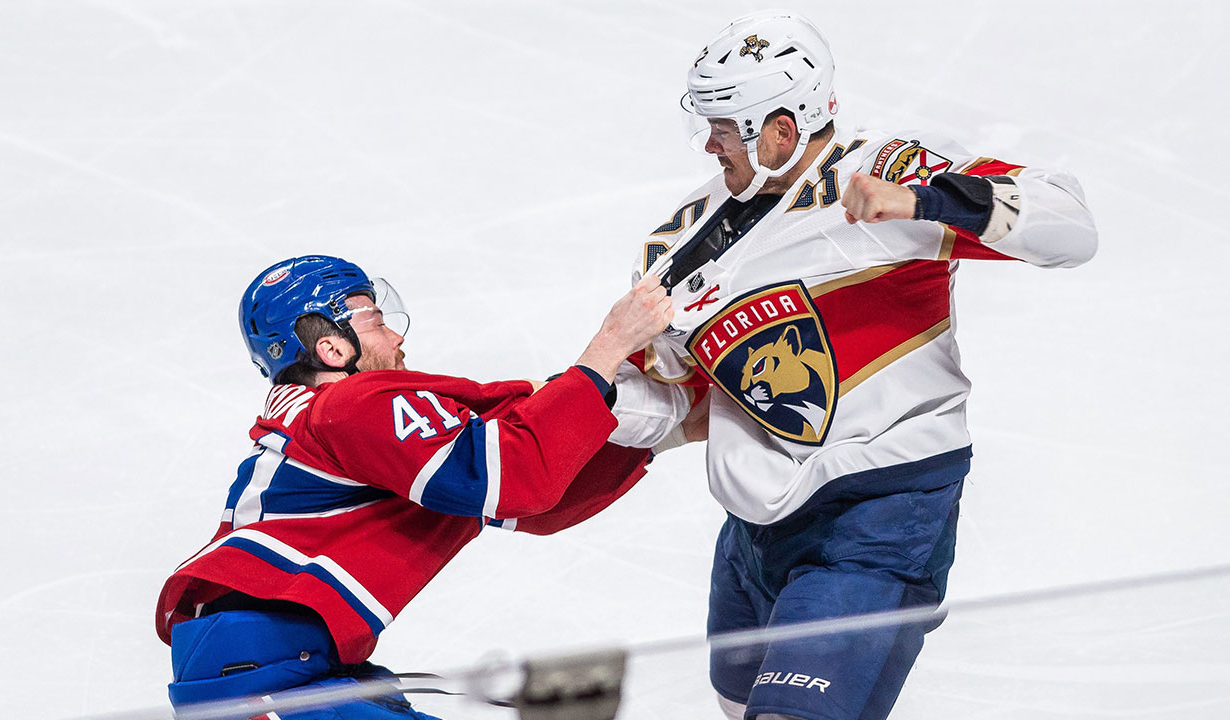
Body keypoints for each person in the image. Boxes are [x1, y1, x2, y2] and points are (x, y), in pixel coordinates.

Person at [604, 10, 1098, 720]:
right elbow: (681, 401)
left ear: (781, 127)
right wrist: (581, 397)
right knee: (735, 706)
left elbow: (1073, 226)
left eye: (724, 126)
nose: (709, 144)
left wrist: (927, 200)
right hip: (754, 527)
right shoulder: (676, 245)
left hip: (882, 517)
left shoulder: (892, 172)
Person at [155, 254, 673, 719]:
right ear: (331, 347)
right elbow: (513, 476)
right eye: (375, 320)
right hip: (264, 673)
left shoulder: (333, 428)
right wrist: (609, 346)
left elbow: (535, 502)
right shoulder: (348, 407)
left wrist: (667, 433)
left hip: (267, 667)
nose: (397, 336)